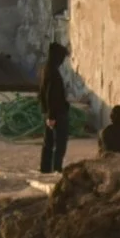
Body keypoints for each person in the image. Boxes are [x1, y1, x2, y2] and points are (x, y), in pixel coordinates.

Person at [37, 43, 72, 174]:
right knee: (59, 144)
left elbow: (42, 94)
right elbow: (51, 95)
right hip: (57, 114)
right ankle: (55, 168)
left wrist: (46, 112)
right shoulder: (53, 73)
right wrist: (51, 116)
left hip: (50, 113)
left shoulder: (46, 70)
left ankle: (45, 168)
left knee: (49, 143)